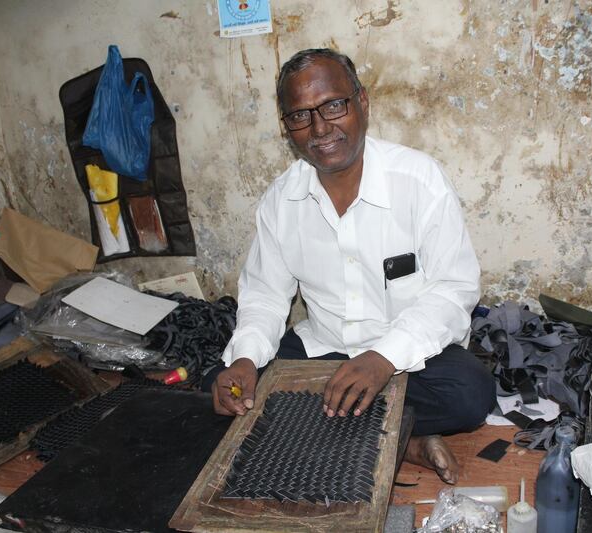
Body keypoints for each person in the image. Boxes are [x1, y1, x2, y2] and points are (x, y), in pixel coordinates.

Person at [206, 48, 495, 484]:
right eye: (300, 116)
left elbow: (453, 290)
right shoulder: (281, 201)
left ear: (362, 101)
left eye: (333, 106)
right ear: (287, 128)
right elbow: (265, 295)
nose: (320, 129)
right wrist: (245, 358)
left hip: (405, 361)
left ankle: (332, 433)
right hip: (325, 351)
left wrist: (382, 358)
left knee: (471, 394)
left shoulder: (419, 180)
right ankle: (404, 443)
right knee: (227, 391)